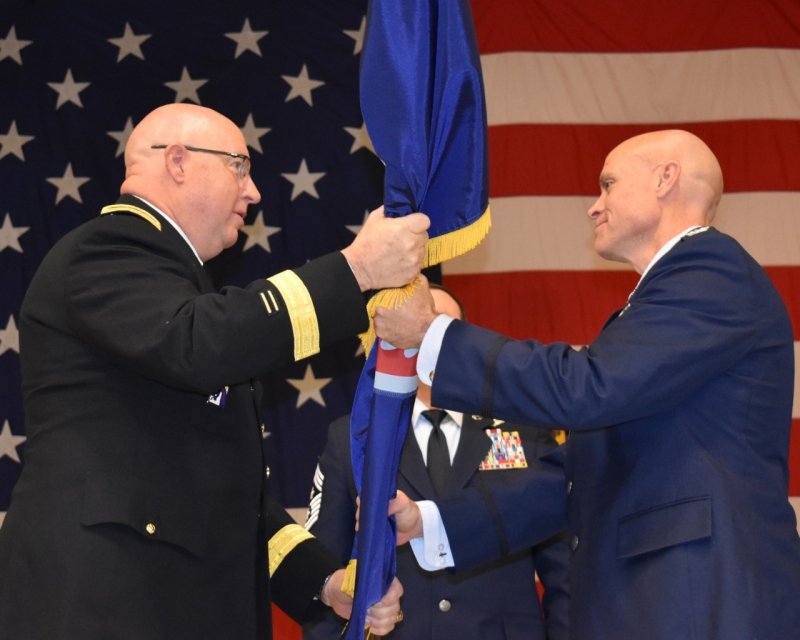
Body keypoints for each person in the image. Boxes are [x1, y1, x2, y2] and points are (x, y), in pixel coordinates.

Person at [0, 103, 427, 639]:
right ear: (177, 161)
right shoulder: (107, 247)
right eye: (239, 167)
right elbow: (198, 342)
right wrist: (356, 269)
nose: (254, 193)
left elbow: (229, 495)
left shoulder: (176, 288)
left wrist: (325, 580)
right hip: (108, 602)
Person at [374, 130, 800, 640]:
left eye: (608, 184)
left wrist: (433, 335)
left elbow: (585, 388)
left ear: (666, 178)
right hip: (658, 601)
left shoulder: (710, 269)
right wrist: (428, 522)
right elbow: (572, 478)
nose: (594, 208)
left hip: (700, 599)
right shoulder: (663, 302)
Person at [302, 284, 570, 640]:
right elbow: (321, 570)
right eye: (415, 336)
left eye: (437, 333)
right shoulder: (354, 437)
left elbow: (566, 576)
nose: (427, 349)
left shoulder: (526, 432)